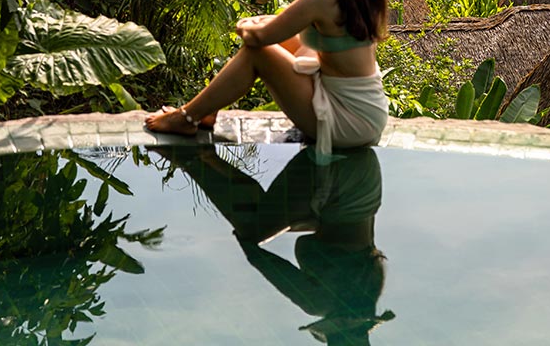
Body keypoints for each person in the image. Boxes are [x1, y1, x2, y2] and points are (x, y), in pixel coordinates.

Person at [145, 0, 404, 157]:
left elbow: (257, 38)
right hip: (369, 114)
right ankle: (207, 110)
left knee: (257, 54)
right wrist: (269, 23)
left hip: (345, 123)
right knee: (294, 42)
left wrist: (244, 24)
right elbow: (294, 28)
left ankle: (188, 117)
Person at [155, 143, 395, 345]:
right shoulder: (318, 302)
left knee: (267, 221)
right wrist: (245, 236)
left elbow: (321, 225)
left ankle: (208, 157)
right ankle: (189, 159)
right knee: (253, 228)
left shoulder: (372, 280)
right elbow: (259, 258)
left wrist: (273, 224)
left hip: (363, 171)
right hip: (338, 176)